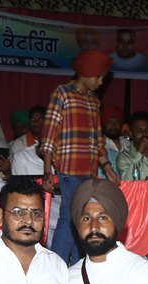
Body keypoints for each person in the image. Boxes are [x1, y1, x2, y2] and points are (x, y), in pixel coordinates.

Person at [41, 50, 121, 264]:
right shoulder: (62, 94)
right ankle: (54, 266)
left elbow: (97, 142)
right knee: (70, 216)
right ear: (86, 71)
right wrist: (47, 171)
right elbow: (49, 135)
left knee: (82, 219)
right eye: (99, 76)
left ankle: (79, 267)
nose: (101, 82)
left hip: (89, 172)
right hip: (69, 168)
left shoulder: (94, 100)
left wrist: (107, 168)